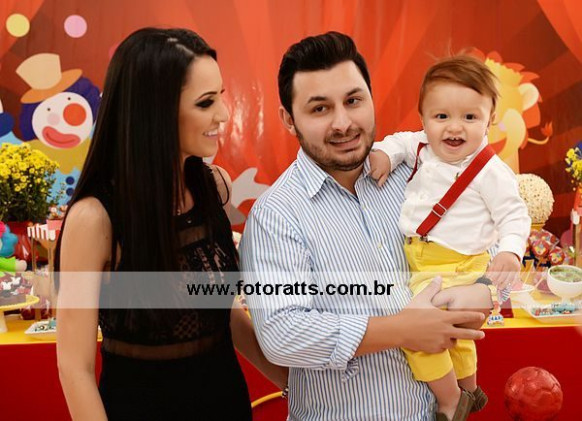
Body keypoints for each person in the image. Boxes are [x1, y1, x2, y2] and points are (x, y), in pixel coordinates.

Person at [240, 31, 487, 421]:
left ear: (371, 98)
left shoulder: (416, 175)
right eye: (320, 109)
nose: (343, 123)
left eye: (353, 101)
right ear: (289, 119)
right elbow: (281, 334)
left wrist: (479, 290)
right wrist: (402, 329)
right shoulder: (277, 214)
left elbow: (479, 239)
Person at [55, 27, 287, 421]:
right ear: (155, 111)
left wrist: (291, 382)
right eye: (205, 102)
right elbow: (74, 368)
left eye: (221, 96)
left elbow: (218, 311)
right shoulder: (95, 219)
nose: (223, 114)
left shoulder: (214, 186)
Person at [368, 56, 530, 420]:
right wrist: (385, 155)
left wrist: (509, 252)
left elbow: (514, 214)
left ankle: (450, 400)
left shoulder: (491, 170)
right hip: (424, 259)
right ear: (424, 118)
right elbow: (400, 141)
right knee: (455, 338)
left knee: (419, 334)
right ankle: (471, 389)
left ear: (489, 119)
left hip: (456, 266)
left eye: (470, 117)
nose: (454, 128)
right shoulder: (421, 144)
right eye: (441, 116)